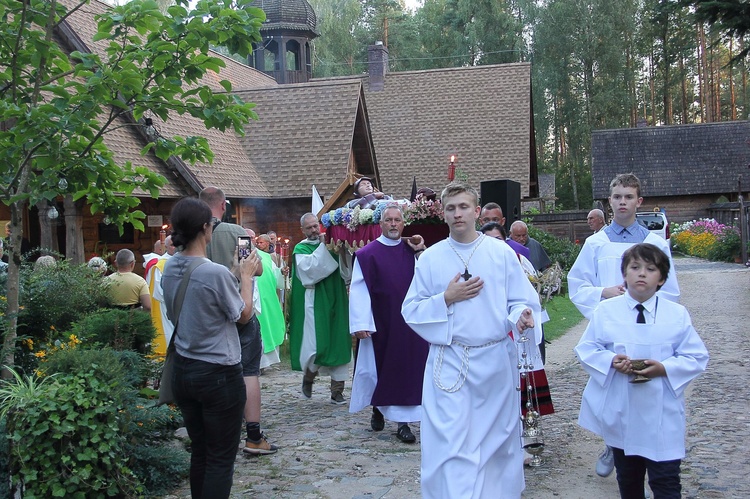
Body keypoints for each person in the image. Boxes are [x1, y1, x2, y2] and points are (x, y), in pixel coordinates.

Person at [401, 183, 541, 498]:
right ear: (443, 214)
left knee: (495, 445)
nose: (457, 213)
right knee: (451, 444)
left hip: (493, 363)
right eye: (451, 208)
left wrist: (522, 317)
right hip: (449, 363)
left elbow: (520, 300)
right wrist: (445, 298)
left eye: (464, 207)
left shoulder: (501, 253)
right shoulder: (431, 258)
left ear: (476, 211)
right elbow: (410, 310)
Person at [568, 172, 680, 479]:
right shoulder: (596, 243)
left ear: (639, 202)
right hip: (611, 328)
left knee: (642, 391)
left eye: (628, 197)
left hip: (645, 328)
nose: (622, 202)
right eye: (617, 197)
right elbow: (576, 283)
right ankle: (613, 442)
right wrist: (604, 293)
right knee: (612, 391)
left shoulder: (654, 243)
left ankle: (643, 458)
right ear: (609, 201)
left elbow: (669, 290)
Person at [575, 243, 708, 499]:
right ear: (624, 274)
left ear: (662, 279)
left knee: (666, 480)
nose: (642, 274)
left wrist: (664, 369)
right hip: (623, 408)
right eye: (635, 267)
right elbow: (588, 348)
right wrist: (612, 360)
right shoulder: (605, 311)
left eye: (650, 269)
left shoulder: (676, 314)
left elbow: (696, 355)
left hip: (662, 410)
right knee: (629, 479)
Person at [161, 197, 259, 499]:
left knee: (200, 451)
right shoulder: (212, 272)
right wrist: (245, 277)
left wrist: (232, 274)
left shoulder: (171, 266)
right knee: (220, 458)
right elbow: (242, 315)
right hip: (217, 373)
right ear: (206, 228)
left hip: (184, 370)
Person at [199, 186, 277, 455]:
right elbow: (256, 268)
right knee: (248, 372)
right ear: (223, 205)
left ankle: (213, 433)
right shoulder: (238, 233)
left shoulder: (192, 235)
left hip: (206, 315)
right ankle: (253, 436)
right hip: (238, 310)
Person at [349, 204, 428, 443]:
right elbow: (359, 289)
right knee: (383, 367)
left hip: (410, 322)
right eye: (389, 220)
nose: (393, 224)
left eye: (397, 220)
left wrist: (420, 250)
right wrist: (361, 322)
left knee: (407, 369)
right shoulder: (367, 254)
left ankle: (403, 422)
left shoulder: (411, 250)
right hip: (382, 321)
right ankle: (379, 406)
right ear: (381, 224)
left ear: (403, 224)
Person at [289, 212, 351, 404]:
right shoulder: (301, 248)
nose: (314, 230)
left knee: (339, 341)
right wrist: (325, 247)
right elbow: (310, 272)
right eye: (309, 228)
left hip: (337, 296)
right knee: (316, 344)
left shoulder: (332, 243)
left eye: (316, 226)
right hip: (315, 300)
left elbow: (346, 267)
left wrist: (341, 249)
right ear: (303, 230)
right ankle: (309, 377)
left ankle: (337, 390)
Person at [253, 234, 286, 369]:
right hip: (256, 298)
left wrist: (282, 272)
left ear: (267, 243)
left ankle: (267, 363)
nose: (257, 244)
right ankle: (259, 363)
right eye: (257, 242)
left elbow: (276, 276)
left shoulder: (269, 257)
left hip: (269, 297)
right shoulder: (253, 254)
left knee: (271, 325)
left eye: (261, 242)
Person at [147, 235, 176, 356]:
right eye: (172, 245)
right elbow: (159, 292)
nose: (176, 247)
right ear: (166, 247)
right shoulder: (160, 265)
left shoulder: (182, 260)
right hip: (167, 309)